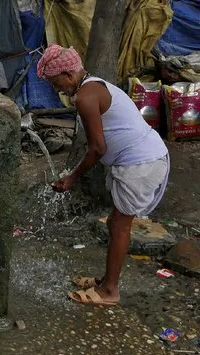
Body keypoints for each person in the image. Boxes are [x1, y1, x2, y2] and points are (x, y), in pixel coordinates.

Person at [37, 44, 169, 306]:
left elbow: (98, 148)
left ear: (69, 75)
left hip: (141, 163)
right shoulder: (93, 84)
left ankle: (110, 291)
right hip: (142, 158)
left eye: (56, 84)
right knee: (114, 222)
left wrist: (72, 177)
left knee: (120, 224)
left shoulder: (86, 97)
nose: (57, 90)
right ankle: (105, 280)